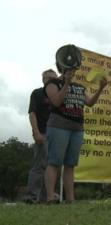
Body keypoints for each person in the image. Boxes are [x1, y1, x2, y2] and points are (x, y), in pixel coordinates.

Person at [44, 45, 107, 203]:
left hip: (77, 129)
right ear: (61, 67)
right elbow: (57, 102)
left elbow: (90, 103)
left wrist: (100, 89)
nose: (72, 70)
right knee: (54, 162)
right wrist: (65, 83)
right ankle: (51, 197)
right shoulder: (52, 84)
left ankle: (70, 199)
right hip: (58, 127)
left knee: (70, 164)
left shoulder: (79, 87)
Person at [24, 69, 57, 204]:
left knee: (52, 167)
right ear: (43, 79)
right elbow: (32, 113)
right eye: (49, 78)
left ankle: (46, 198)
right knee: (39, 165)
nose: (52, 80)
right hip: (42, 133)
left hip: (56, 136)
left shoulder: (58, 95)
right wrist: (36, 132)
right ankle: (31, 197)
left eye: (54, 78)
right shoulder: (37, 93)